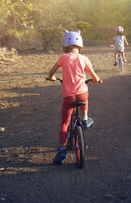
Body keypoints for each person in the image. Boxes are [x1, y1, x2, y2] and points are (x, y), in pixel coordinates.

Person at [46, 30, 102, 164]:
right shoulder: (84, 59)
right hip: (81, 93)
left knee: (65, 124)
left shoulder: (63, 57)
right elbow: (94, 76)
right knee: (85, 97)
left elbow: (51, 72)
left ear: (65, 46)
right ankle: (84, 118)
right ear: (80, 46)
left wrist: (51, 77)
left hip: (68, 97)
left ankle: (61, 150)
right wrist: (97, 79)